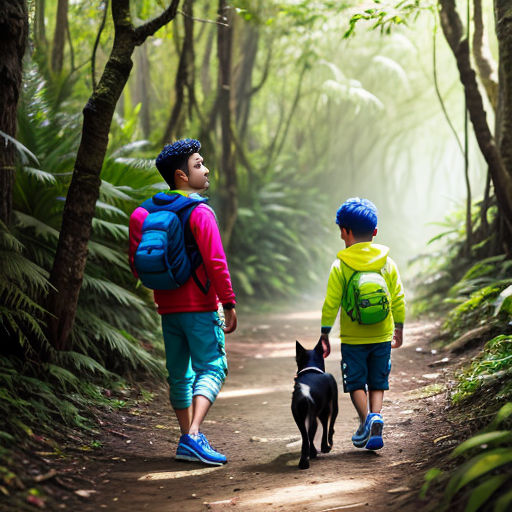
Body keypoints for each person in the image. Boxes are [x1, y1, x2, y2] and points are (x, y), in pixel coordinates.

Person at [128, 138, 237, 465]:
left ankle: (187, 438)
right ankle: (192, 435)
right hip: (201, 307)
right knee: (214, 366)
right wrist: (228, 302)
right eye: (198, 165)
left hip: (167, 307)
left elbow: (136, 264)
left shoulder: (141, 213)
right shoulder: (199, 211)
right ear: (181, 176)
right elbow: (216, 261)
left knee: (179, 375)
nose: (206, 170)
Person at [320, 197, 405, 450]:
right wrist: (399, 328)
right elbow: (398, 297)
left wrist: (325, 333)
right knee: (378, 380)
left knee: (356, 381)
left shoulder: (341, 265)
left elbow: (331, 303)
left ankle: (366, 419)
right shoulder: (387, 262)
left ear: (345, 232)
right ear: (375, 232)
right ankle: (376, 416)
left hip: (353, 338)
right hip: (382, 334)